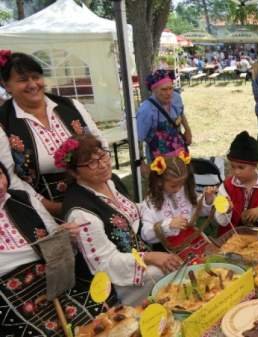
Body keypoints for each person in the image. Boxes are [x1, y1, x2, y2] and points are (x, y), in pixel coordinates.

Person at [60, 134, 181, 305]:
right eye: (91, 163)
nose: (102, 165)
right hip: (118, 279)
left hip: (141, 253)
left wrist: (163, 216)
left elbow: (130, 213)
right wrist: (151, 257)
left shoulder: (110, 181)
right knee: (163, 273)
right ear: (74, 172)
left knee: (178, 259)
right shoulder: (80, 213)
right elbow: (104, 264)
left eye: (102, 155)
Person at [0, 160, 110, 336]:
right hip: (9, 294)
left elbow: (54, 234)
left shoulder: (22, 199)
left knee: (98, 319)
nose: (0, 185)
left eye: (0, 175)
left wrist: (65, 235)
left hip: (54, 275)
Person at [0, 51, 107, 216]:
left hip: (94, 193)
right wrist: (50, 207)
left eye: (36, 77)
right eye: (22, 80)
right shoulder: (3, 122)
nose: (32, 84)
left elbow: (100, 143)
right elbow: (9, 176)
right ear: (6, 85)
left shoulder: (71, 106)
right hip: (43, 208)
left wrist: (100, 185)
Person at [139, 151, 215, 262]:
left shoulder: (184, 191)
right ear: (159, 181)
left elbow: (196, 211)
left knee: (212, 259)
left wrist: (207, 200)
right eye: (174, 185)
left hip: (192, 238)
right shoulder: (150, 203)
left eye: (182, 184)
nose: (179, 188)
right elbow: (145, 234)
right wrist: (168, 225)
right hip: (166, 248)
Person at [211, 131, 258, 235]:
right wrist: (226, 211)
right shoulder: (226, 187)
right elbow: (222, 222)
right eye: (233, 166)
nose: (236, 172)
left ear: (255, 165)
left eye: (241, 167)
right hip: (230, 238)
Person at [137, 69, 192, 162]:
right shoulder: (146, 110)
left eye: (170, 88)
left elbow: (181, 113)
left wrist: (187, 130)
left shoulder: (176, 98)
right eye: (164, 89)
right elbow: (138, 139)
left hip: (180, 151)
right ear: (153, 90)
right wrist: (141, 162)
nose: (168, 93)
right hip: (159, 159)